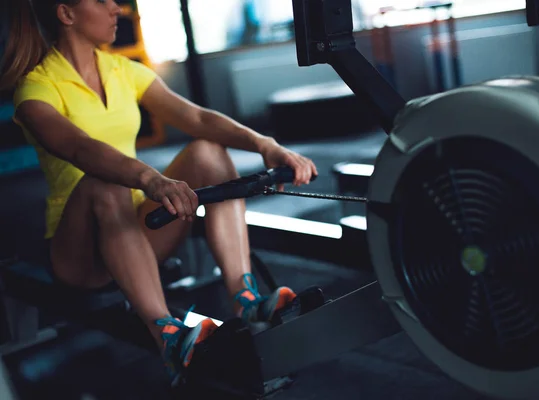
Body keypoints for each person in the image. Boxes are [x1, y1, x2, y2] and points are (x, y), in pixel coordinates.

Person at [0, 0, 318, 387]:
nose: (116, 9)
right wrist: (149, 179)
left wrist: (264, 143)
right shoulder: (36, 86)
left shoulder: (121, 70)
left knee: (207, 151)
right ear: (66, 14)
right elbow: (81, 149)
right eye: (101, 1)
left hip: (137, 232)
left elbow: (198, 118)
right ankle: (165, 333)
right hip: (80, 254)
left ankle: (247, 300)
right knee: (105, 180)